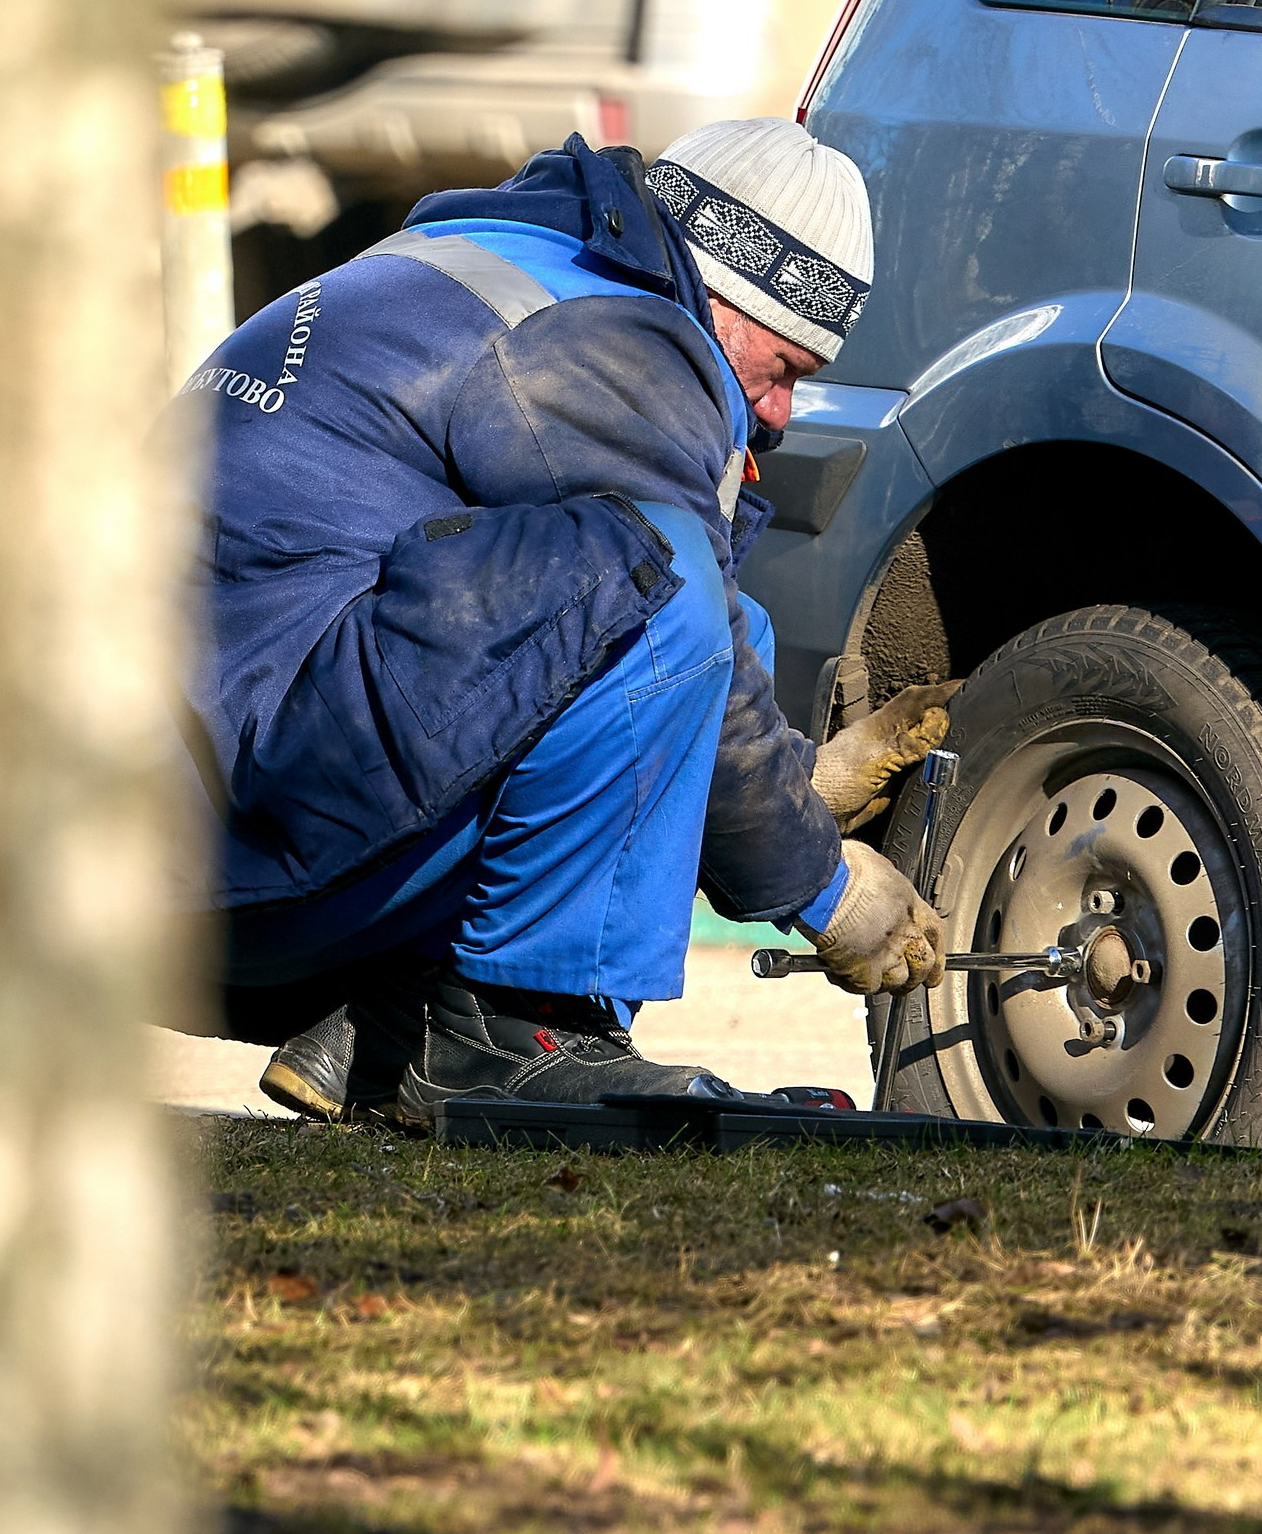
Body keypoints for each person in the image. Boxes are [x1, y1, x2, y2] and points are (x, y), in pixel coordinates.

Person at [172, 118, 952, 1125]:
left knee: (720, 628)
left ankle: (389, 1027)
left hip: (196, 815)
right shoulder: (615, 337)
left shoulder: (515, 257)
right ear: (726, 296)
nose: (781, 415)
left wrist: (793, 783)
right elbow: (656, 599)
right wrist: (826, 886)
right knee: (663, 585)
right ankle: (523, 1032)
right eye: (786, 369)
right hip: (246, 831)